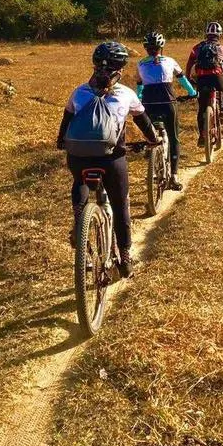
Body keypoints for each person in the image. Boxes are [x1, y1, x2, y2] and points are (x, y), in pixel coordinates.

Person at [57, 41, 159, 278]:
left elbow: (66, 119)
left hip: (78, 157)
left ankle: (79, 220)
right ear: (120, 69)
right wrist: (154, 140)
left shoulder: (79, 92)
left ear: (94, 65)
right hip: (111, 159)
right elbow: (143, 121)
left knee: (79, 181)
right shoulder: (127, 94)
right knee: (120, 203)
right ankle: (125, 257)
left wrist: (61, 141)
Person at [135, 31, 197, 191]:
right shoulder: (170, 61)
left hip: (148, 104)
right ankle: (174, 176)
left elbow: (139, 86)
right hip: (168, 103)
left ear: (146, 48)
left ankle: (151, 153)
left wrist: (138, 98)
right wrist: (192, 93)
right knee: (174, 138)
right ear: (161, 47)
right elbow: (182, 79)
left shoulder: (140, 64)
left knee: (150, 135)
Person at [185, 22, 223, 146]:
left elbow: (189, 64)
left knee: (202, 108)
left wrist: (188, 77)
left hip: (201, 79)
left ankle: (202, 136)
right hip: (217, 78)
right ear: (219, 35)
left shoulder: (197, 47)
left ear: (206, 34)